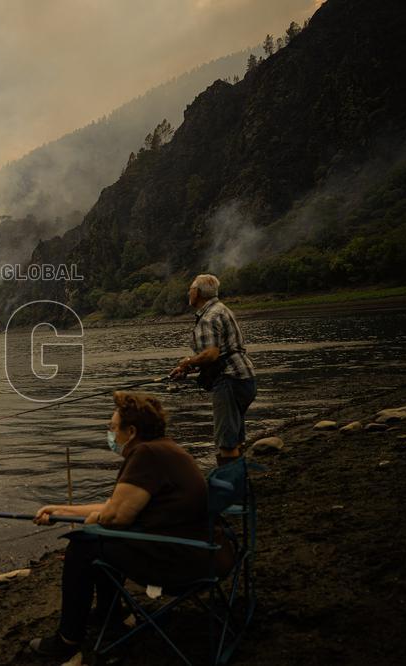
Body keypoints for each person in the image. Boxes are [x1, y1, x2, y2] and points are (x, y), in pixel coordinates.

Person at [28, 391, 234, 661]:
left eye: (113, 428)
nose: (110, 434)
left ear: (132, 430)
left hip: (185, 562)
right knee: (98, 541)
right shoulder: (162, 448)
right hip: (207, 551)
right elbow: (117, 505)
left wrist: (94, 521)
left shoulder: (146, 454)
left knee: (82, 547)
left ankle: (67, 640)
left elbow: (115, 516)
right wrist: (61, 510)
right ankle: (110, 615)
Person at [171, 274, 257, 466]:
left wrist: (186, 362)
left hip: (229, 380)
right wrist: (188, 368)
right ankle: (239, 483)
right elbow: (219, 353)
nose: (189, 292)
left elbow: (211, 355)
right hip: (244, 377)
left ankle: (229, 490)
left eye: (191, 288)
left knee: (226, 443)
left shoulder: (208, 317)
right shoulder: (220, 310)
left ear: (198, 292)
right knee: (235, 437)